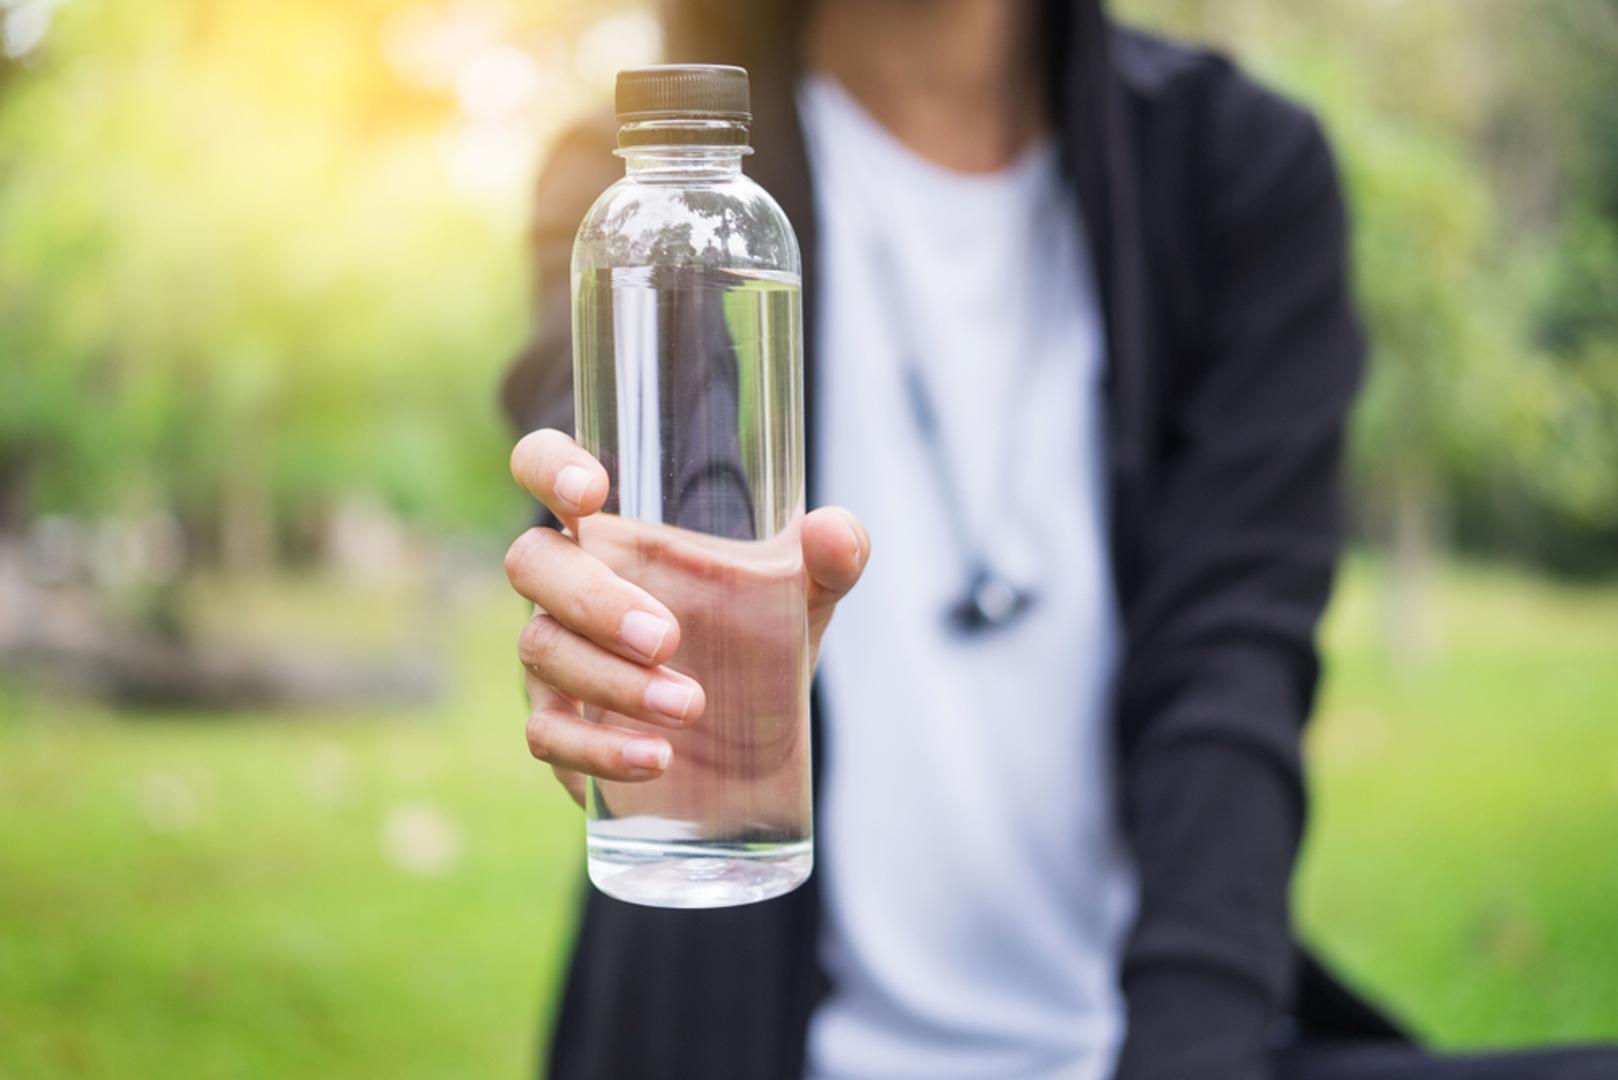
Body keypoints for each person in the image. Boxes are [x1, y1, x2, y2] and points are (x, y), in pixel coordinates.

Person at [500, 1, 1618, 1077]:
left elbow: (1230, 680)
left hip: (1171, 1038)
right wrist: (633, 618)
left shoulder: (1237, 169)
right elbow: (629, 465)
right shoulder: (645, 191)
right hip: (749, 1042)